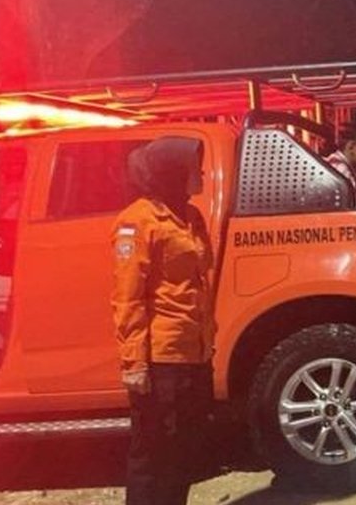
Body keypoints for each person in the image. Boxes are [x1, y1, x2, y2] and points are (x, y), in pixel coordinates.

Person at [112, 137, 216, 505]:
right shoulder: (137, 222)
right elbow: (128, 297)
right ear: (173, 172)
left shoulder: (192, 217)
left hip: (194, 354)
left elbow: (198, 282)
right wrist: (134, 363)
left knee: (184, 452)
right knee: (152, 454)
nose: (201, 173)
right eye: (194, 168)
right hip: (159, 360)